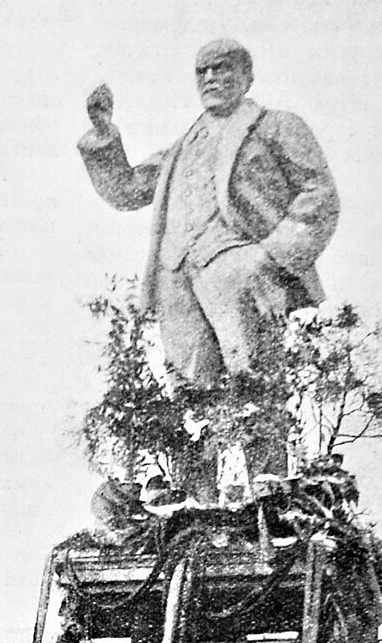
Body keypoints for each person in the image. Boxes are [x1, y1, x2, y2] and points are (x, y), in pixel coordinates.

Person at [78, 39, 339, 385]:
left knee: (254, 391)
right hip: (176, 277)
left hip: (240, 272)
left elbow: (319, 195)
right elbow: (126, 190)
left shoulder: (275, 125)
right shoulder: (182, 147)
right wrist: (103, 133)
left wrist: (269, 257)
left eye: (222, 67)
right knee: (190, 400)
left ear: (247, 76)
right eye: (203, 70)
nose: (210, 77)